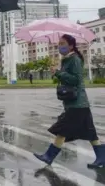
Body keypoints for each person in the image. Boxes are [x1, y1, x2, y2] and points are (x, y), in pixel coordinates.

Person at [33, 34, 105, 168]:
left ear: (71, 46)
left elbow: (76, 80)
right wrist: (56, 73)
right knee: (90, 132)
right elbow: (66, 79)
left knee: (63, 129)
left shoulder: (75, 59)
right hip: (76, 103)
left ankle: (49, 156)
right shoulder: (66, 60)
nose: (60, 46)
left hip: (77, 103)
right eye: (59, 44)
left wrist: (59, 72)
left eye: (63, 43)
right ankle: (102, 157)